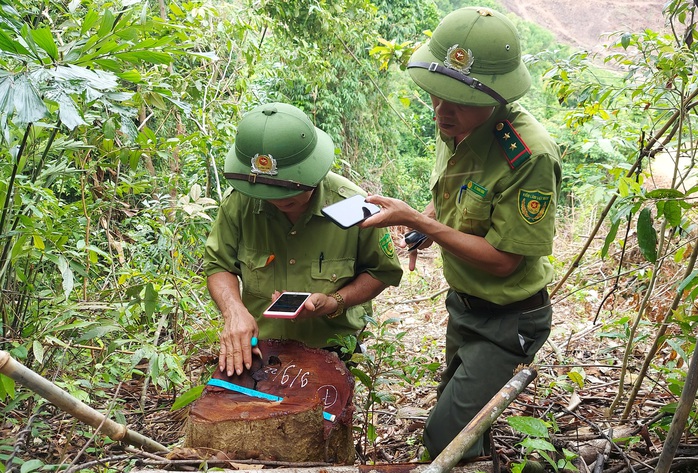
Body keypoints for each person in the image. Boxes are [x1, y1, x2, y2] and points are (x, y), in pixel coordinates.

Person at [361, 7, 561, 460]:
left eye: (456, 101)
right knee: (469, 427)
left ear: (494, 97)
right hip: (464, 306)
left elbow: (504, 259)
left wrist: (418, 220)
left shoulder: (527, 157)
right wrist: (430, 222)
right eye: (437, 95)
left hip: (508, 320)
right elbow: (455, 191)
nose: (441, 110)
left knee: (444, 437)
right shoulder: (454, 124)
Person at [204, 102, 403, 377]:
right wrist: (234, 311)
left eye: (287, 189)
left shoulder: (355, 205)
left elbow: (382, 271)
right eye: (266, 191)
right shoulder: (239, 204)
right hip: (260, 348)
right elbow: (218, 265)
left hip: (334, 348)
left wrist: (335, 301)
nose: (277, 200)